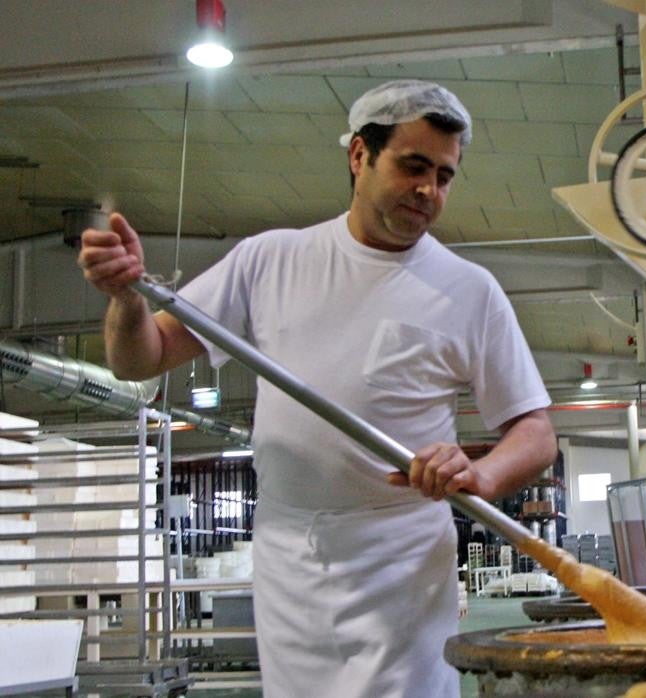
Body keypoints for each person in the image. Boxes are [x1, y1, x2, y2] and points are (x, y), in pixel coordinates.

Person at [76, 79, 557, 697]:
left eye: (444, 175)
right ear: (360, 155)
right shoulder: (270, 260)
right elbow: (140, 358)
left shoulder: (469, 290)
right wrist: (126, 298)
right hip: (290, 558)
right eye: (414, 167)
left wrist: (480, 476)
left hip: (402, 564)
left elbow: (537, 433)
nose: (428, 191)